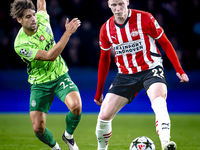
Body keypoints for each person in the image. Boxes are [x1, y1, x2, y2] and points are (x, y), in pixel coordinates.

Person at [94, 0, 189, 150]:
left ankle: (166, 143)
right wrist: (99, 91)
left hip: (150, 68)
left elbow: (164, 42)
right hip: (125, 74)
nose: (117, 9)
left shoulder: (144, 18)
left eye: (120, 4)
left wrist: (179, 69)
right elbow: (104, 59)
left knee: (158, 100)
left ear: (127, 2)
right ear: (108, 5)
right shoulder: (105, 29)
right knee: (104, 115)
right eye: (113, 5)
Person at [10, 0, 82, 149]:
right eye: (28, 17)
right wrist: (68, 33)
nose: (34, 19)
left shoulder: (42, 18)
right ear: (19, 20)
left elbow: (41, 3)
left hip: (59, 74)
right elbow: (50, 56)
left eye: (34, 15)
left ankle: (68, 136)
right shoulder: (21, 44)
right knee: (38, 129)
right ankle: (56, 147)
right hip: (39, 83)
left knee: (76, 106)